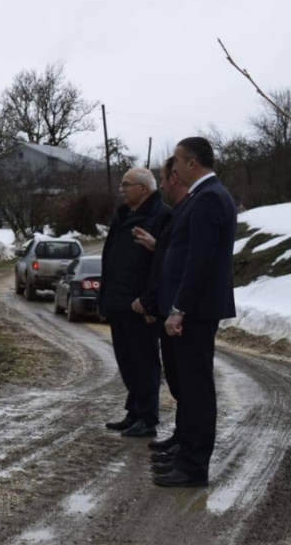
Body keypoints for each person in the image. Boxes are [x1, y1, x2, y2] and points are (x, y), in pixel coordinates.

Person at [150, 137, 237, 488]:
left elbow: (199, 261)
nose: (174, 167)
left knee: (198, 390)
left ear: (192, 163)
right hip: (195, 309)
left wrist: (179, 308)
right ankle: (186, 453)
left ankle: (194, 466)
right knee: (190, 385)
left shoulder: (210, 198)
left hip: (197, 312)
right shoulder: (204, 197)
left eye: (178, 160)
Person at [100, 167, 172, 438]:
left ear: (143, 188)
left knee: (145, 363)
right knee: (127, 362)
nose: (121, 189)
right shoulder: (123, 217)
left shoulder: (162, 216)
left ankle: (148, 417)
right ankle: (134, 411)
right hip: (119, 303)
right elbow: (110, 260)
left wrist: (150, 302)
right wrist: (105, 300)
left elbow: (163, 267)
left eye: (126, 184)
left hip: (141, 307)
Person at [133, 157, 187, 461]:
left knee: (188, 384)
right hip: (169, 306)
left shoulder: (188, 209)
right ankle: (181, 438)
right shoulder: (180, 211)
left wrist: (162, 304)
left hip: (181, 310)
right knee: (179, 382)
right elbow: (170, 260)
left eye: (165, 178)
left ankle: (189, 449)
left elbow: (188, 265)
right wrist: (158, 246)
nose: (163, 184)